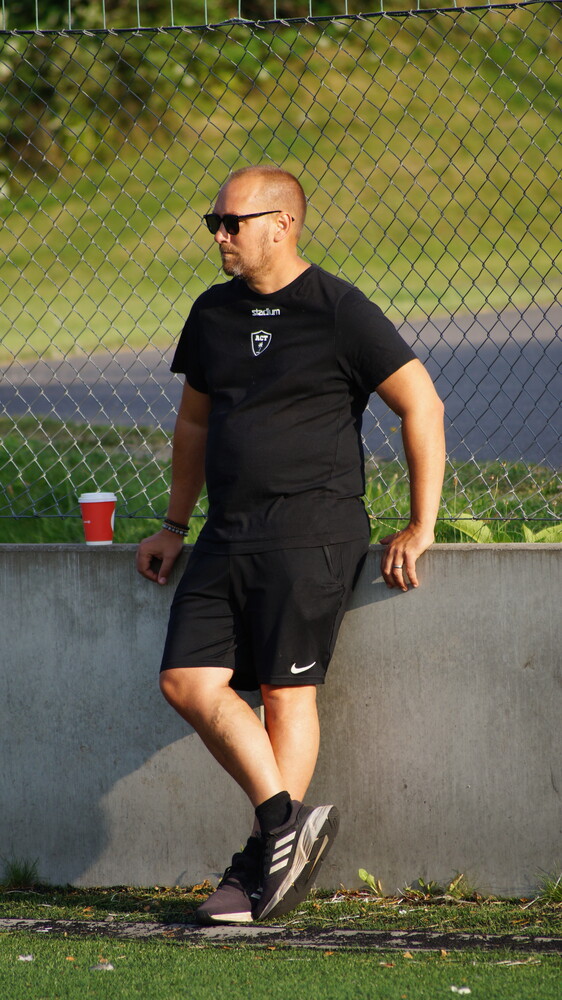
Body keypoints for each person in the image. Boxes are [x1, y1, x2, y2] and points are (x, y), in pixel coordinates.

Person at [137, 164, 445, 925]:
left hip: (313, 530)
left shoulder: (338, 309)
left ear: (282, 225)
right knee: (186, 681)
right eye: (214, 221)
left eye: (231, 222)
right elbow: (194, 423)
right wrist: (174, 525)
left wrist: (422, 522)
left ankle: (259, 866)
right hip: (227, 530)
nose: (219, 235)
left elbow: (421, 403)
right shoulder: (211, 313)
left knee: (284, 692)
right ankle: (285, 825)